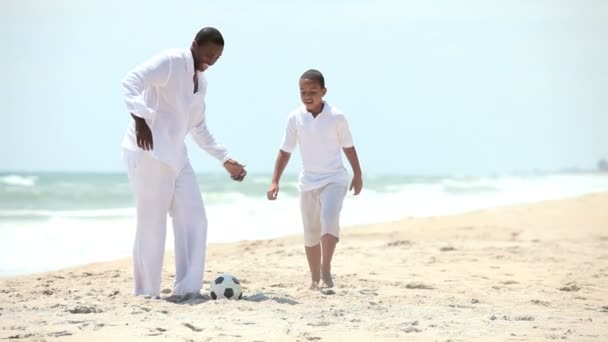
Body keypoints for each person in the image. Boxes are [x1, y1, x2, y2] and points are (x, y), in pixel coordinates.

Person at [121, 27, 246, 299]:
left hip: (178, 156)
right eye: (209, 54)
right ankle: (146, 292)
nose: (211, 61)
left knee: (195, 217)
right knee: (151, 225)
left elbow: (198, 127)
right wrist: (140, 119)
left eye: (217, 57)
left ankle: (188, 289)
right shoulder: (171, 61)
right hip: (148, 152)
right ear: (195, 44)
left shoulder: (201, 82)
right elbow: (131, 81)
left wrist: (224, 158)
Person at [267, 69, 363, 290]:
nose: (308, 96)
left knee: (329, 219)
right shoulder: (295, 118)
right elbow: (285, 151)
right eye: (303, 92)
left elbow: (348, 146)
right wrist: (275, 181)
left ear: (323, 91)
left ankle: (326, 269)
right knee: (310, 230)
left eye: (313, 91)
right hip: (308, 181)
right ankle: (314, 277)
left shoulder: (337, 117)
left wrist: (357, 174)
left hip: (335, 178)